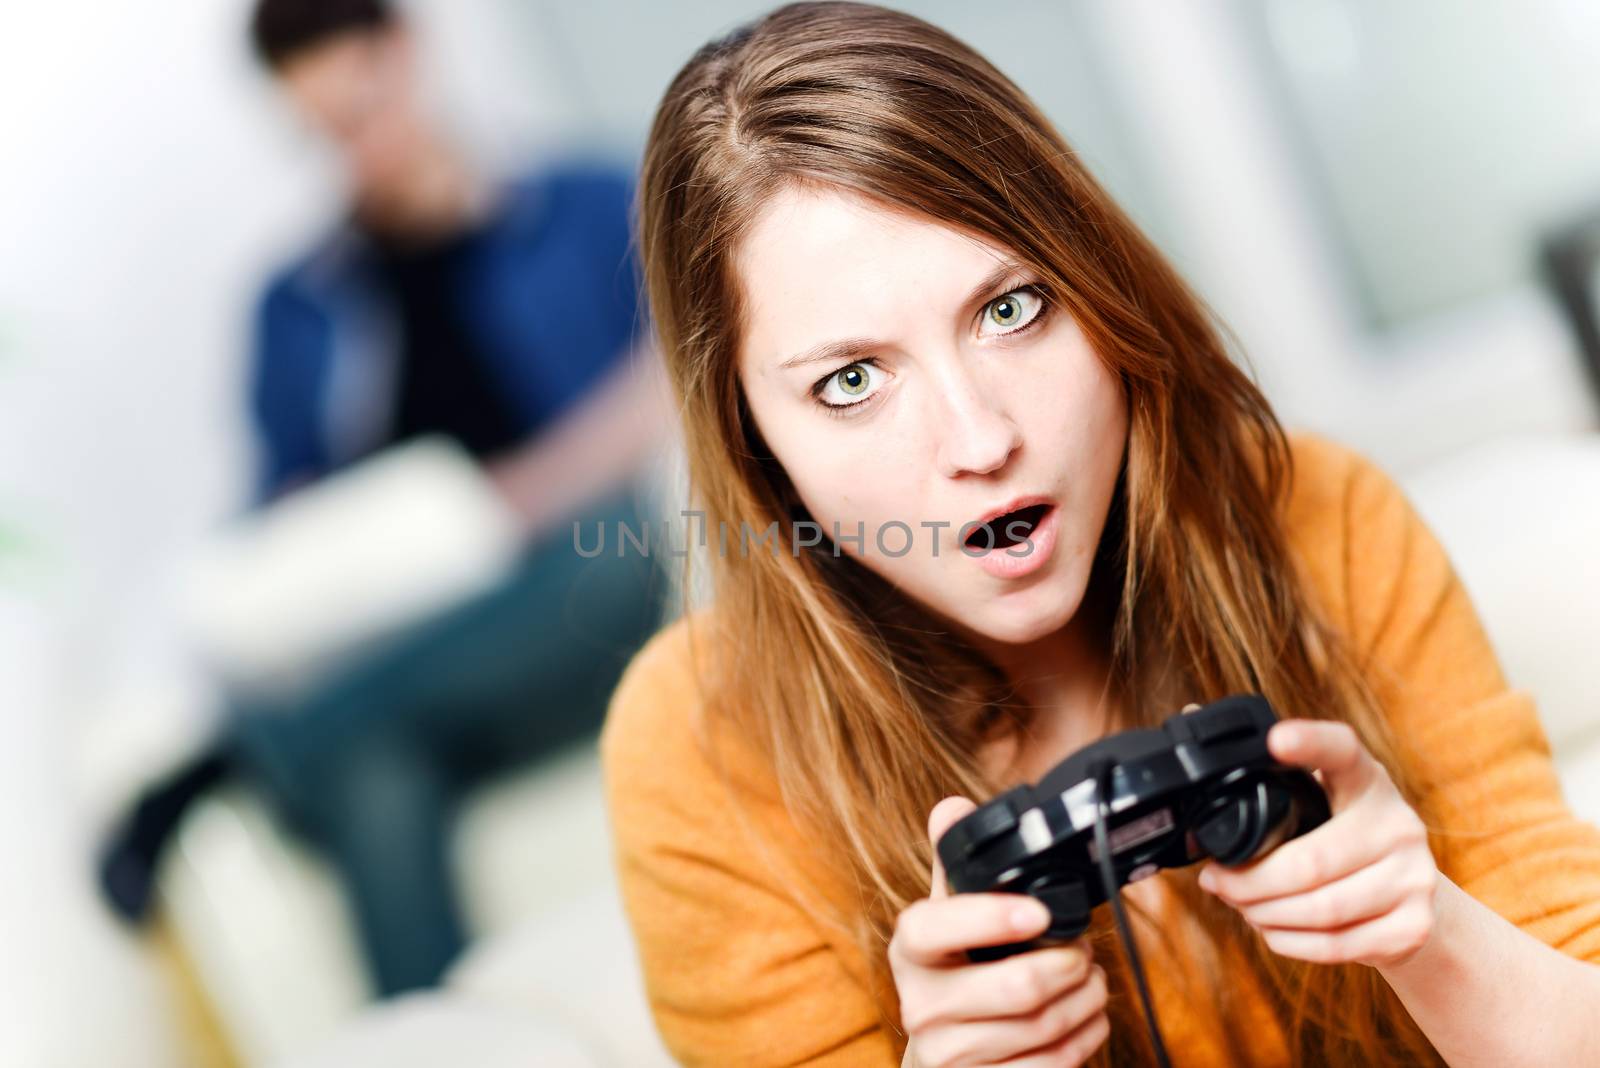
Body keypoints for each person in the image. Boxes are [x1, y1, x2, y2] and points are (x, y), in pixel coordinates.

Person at [598, 4, 1600, 1066]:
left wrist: (1433, 939)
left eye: (1012, 309)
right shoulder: (699, 741)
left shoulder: (1324, 521)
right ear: (753, 440)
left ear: (1098, 284)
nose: (980, 440)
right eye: (852, 381)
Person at [99, 0, 670, 996]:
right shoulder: (298, 308)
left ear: (408, 55)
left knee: (617, 545)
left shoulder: (581, 204)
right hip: (417, 641)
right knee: (375, 762)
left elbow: (680, 368)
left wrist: (511, 502)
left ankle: (242, 757)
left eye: (362, 107)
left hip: (573, 591)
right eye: (322, 131)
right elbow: (281, 521)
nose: (354, 147)